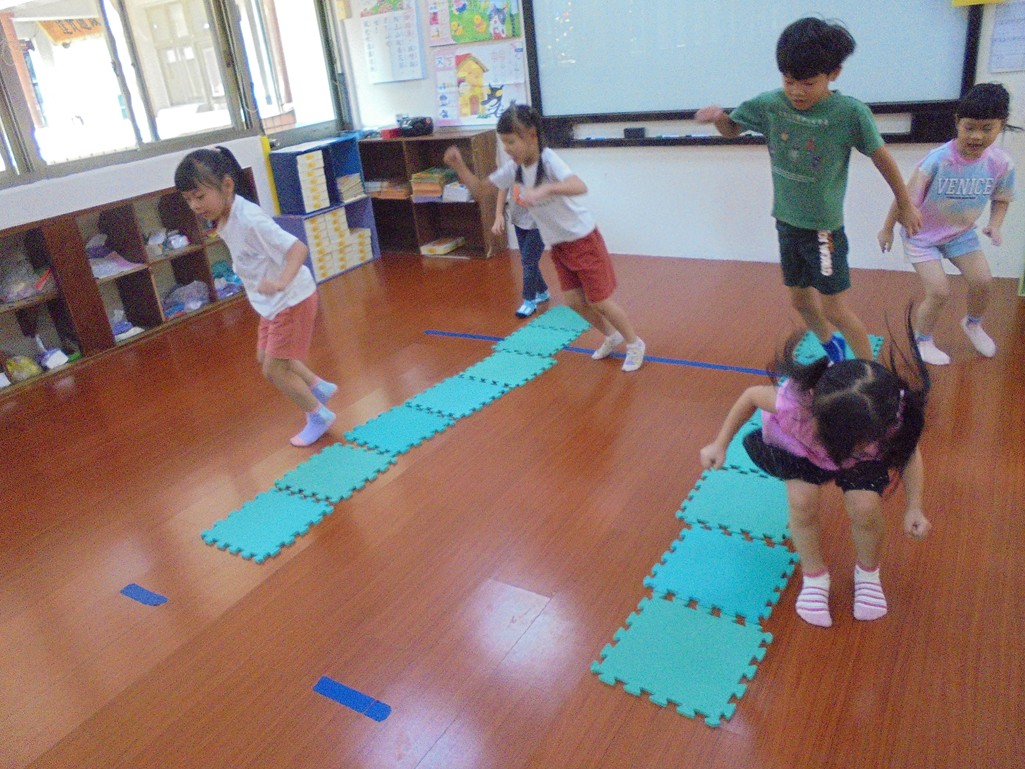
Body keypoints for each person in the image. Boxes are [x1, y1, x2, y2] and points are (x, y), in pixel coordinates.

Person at [696, 17, 921, 363]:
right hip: (787, 224)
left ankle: (869, 374)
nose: (797, 91)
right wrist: (719, 118)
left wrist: (904, 203)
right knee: (800, 302)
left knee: (834, 308)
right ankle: (834, 351)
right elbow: (732, 129)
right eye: (789, 81)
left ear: (834, 74)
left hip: (823, 231)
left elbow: (883, 158)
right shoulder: (770, 104)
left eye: (808, 83)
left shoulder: (849, 113)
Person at [699, 314, 931, 628]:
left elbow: (909, 453)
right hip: (802, 451)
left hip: (861, 461)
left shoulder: (889, 420)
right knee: (802, 502)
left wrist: (914, 506)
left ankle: (868, 574)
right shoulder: (797, 405)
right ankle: (815, 576)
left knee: (866, 508)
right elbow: (751, 396)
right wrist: (719, 443)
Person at [444, 104, 646, 372]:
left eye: (511, 142)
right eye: (504, 143)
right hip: (559, 245)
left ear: (532, 135)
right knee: (574, 303)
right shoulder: (514, 168)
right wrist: (459, 166)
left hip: (582, 239)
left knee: (598, 301)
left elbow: (579, 185)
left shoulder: (548, 160)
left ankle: (634, 343)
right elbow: (482, 191)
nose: (507, 149)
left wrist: (546, 190)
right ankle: (612, 336)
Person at [175, 147, 337, 447]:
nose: (195, 205)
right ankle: (318, 387)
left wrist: (281, 281)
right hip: (271, 305)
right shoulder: (225, 214)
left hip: (290, 300)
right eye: (188, 199)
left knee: (274, 369)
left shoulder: (250, 220)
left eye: (200, 196)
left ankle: (319, 416)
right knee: (265, 357)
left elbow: (298, 249)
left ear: (227, 185)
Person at [878, 83, 1016, 365]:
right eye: (969, 127)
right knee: (939, 291)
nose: (976, 136)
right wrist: (887, 228)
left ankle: (973, 324)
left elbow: (1002, 199)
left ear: (1001, 125)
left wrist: (995, 224)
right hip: (921, 235)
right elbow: (904, 197)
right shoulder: (939, 160)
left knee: (983, 281)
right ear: (957, 122)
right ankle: (923, 341)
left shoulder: (1001, 163)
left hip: (960, 234)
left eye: (987, 129)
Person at [493, 185, 550, 318]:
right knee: (529, 259)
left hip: (540, 222)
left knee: (528, 261)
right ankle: (542, 292)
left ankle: (529, 300)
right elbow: (503, 187)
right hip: (519, 219)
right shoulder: (511, 171)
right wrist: (498, 214)